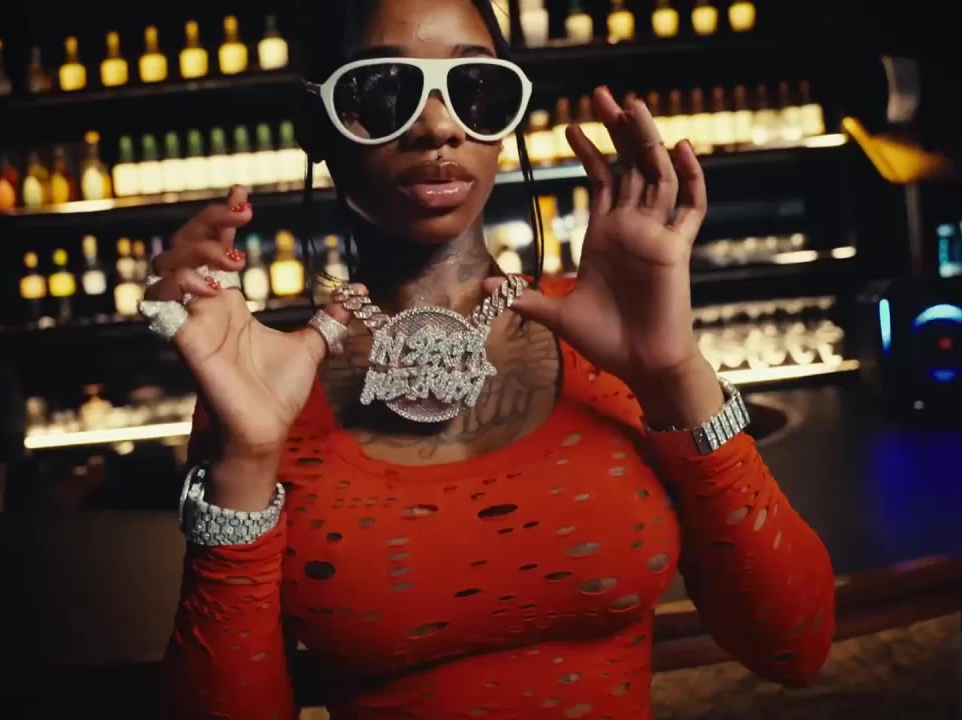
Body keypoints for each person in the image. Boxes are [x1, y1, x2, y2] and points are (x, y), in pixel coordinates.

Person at [144, 1, 835, 717]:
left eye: (475, 88)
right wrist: (248, 459)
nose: (439, 127)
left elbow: (794, 644)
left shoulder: (605, 336)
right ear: (314, 124)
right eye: (382, 89)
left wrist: (674, 372)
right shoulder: (265, 384)